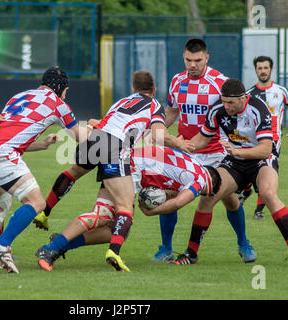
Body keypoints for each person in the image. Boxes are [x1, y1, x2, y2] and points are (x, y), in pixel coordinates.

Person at [36, 70, 195, 272]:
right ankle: (114, 252)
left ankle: (46, 219)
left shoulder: (122, 101)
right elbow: (158, 134)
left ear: (133, 89)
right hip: (114, 147)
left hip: (95, 138)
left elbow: (105, 122)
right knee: (125, 206)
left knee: (78, 178)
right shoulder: (155, 105)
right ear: (153, 90)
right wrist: (181, 144)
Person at [172, 78, 288, 268]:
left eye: (230, 103)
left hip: (261, 159)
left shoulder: (258, 109)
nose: (226, 106)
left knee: (268, 193)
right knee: (209, 195)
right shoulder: (217, 109)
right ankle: (191, 254)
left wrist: (237, 151)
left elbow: (265, 149)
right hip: (235, 162)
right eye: (224, 101)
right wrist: (183, 147)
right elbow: (203, 138)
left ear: (243, 98)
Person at [0, 66, 87, 273]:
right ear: (60, 87)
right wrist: (99, 128)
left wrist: (42, 144)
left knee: (0, 205)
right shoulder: (58, 104)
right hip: (0, 154)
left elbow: (11, 132)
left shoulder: (20, 96)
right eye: (65, 91)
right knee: (37, 202)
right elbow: (80, 136)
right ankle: (2, 244)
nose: (65, 95)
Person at [35, 145, 222, 272]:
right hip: (128, 169)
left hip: (125, 160)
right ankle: (52, 248)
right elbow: (178, 202)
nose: (200, 196)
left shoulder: (192, 163)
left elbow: (165, 177)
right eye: (205, 195)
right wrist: (151, 211)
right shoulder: (201, 180)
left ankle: (63, 244)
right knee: (102, 215)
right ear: (210, 186)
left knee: (116, 229)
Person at [153, 38, 229, 261]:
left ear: (207, 58)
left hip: (215, 152)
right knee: (169, 194)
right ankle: (166, 248)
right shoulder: (177, 81)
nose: (193, 64)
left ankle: (243, 243)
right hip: (186, 150)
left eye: (197, 60)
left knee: (230, 200)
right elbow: (172, 112)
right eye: (188, 60)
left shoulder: (220, 82)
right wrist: (156, 129)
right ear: (183, 58)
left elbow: (232, 114)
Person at [238, 56, 288, 220]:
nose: (263, 71)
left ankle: (258, 210)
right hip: (252, 139)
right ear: (256, 70)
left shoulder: (281, 91)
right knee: (250, 170)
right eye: (260, 68)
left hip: (273, 140)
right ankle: (246, 190)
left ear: (271, 69)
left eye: (266, 68)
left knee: (267, 171)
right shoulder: (249, 94)